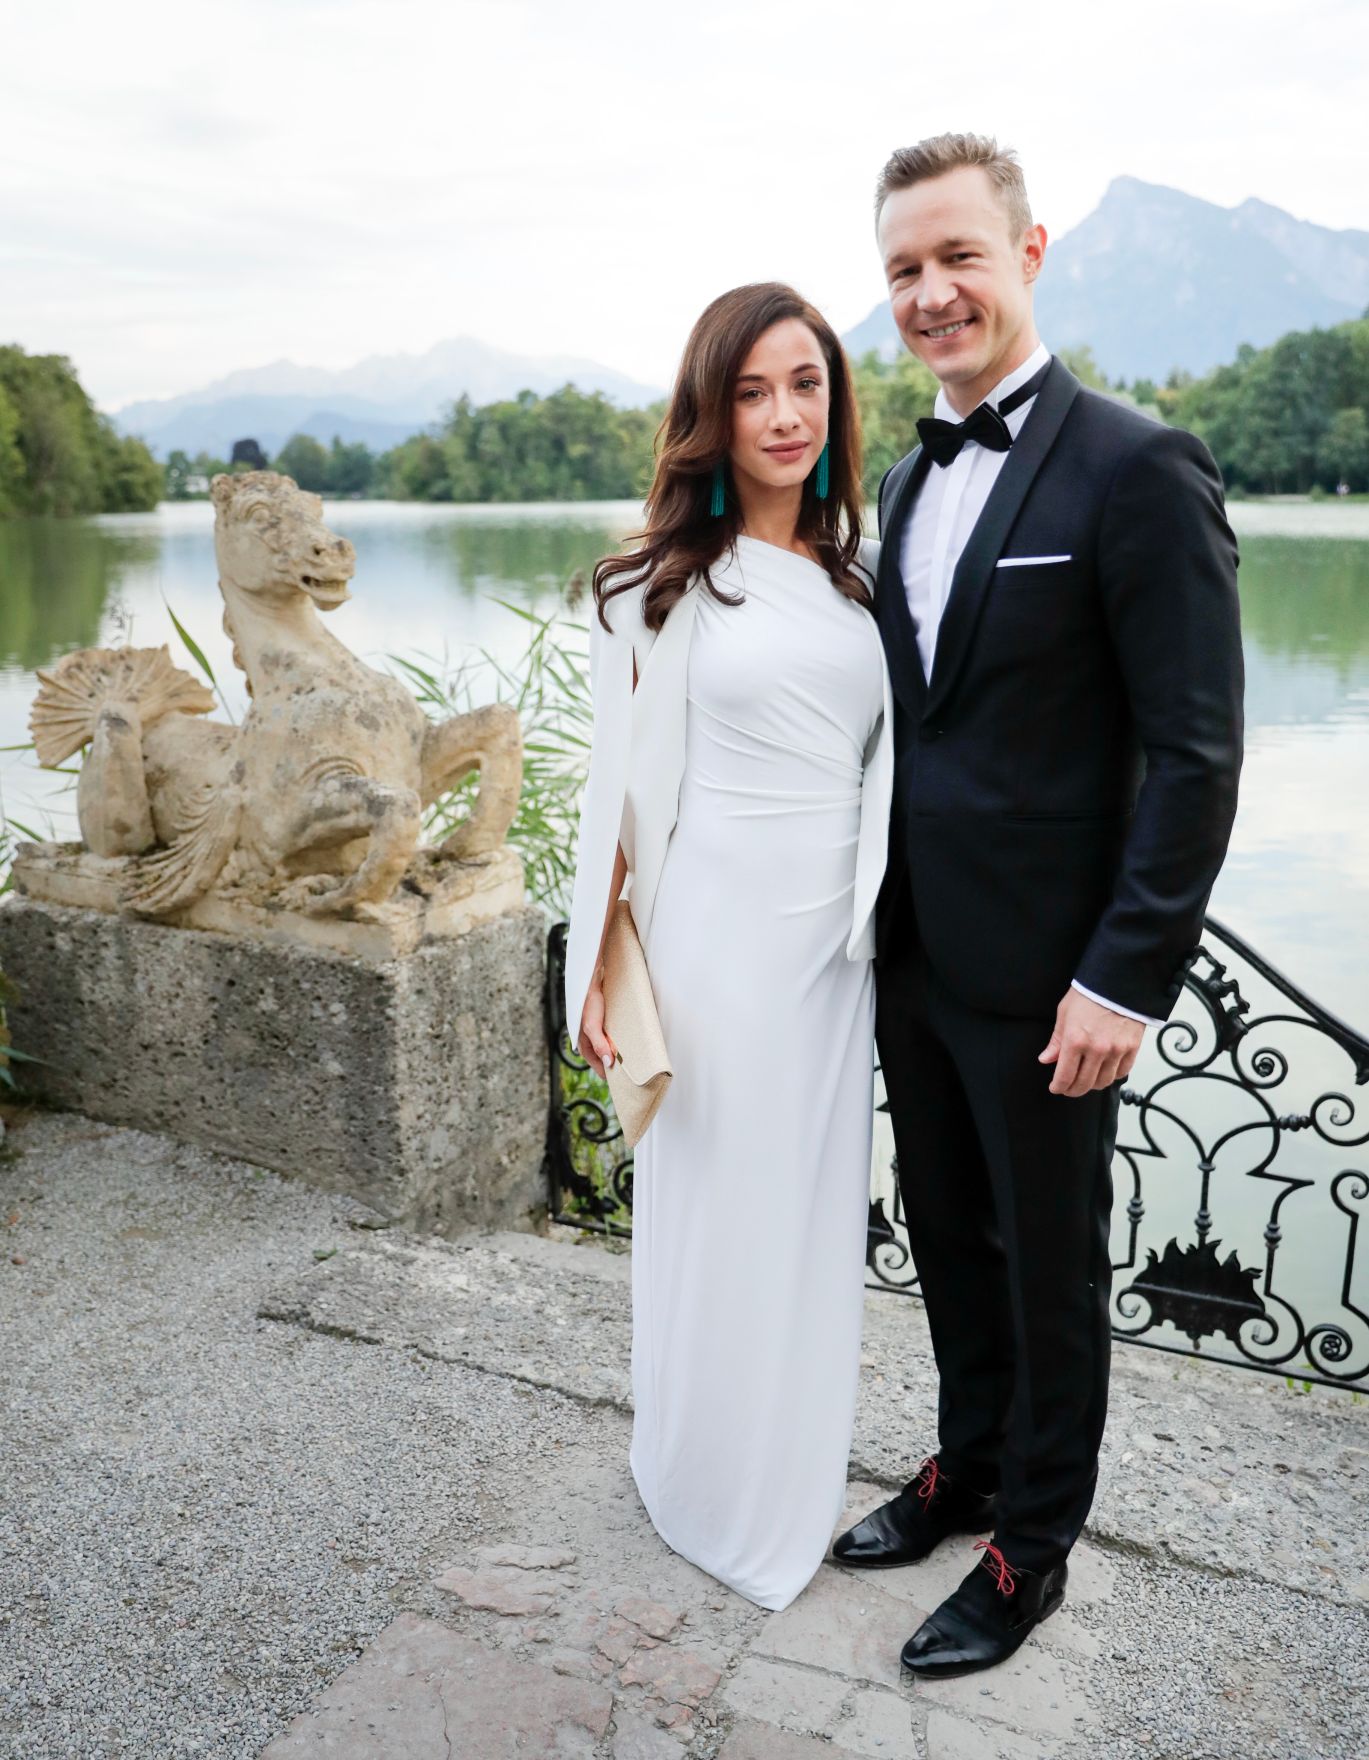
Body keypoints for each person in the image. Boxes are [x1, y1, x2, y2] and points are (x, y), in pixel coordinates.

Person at [831, 133, 1245, 1676]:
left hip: (1056, 972)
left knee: (1051, 1267)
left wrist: (1121, 977)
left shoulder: (1138, 466)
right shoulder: (900, 478)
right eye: (902, 270)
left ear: (1027, 253)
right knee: (947, 1234)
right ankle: (968, 1466)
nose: (929, 293)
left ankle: (1032, 1547)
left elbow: (1196, 755)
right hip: (916, 951)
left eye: (956, 257)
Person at [564, 282, 892, 1611]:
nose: (783, 415)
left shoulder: (860, 578)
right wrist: (598, 964)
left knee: (804, 1223)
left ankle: (784, 1468)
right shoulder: (652, 587)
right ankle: (700, 1475)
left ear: (835, 402)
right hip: (715, 946)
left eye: (805, 385)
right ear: (711, 412)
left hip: (834, 954)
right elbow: (612, 794)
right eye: (751, 391)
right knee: (715, 1214)